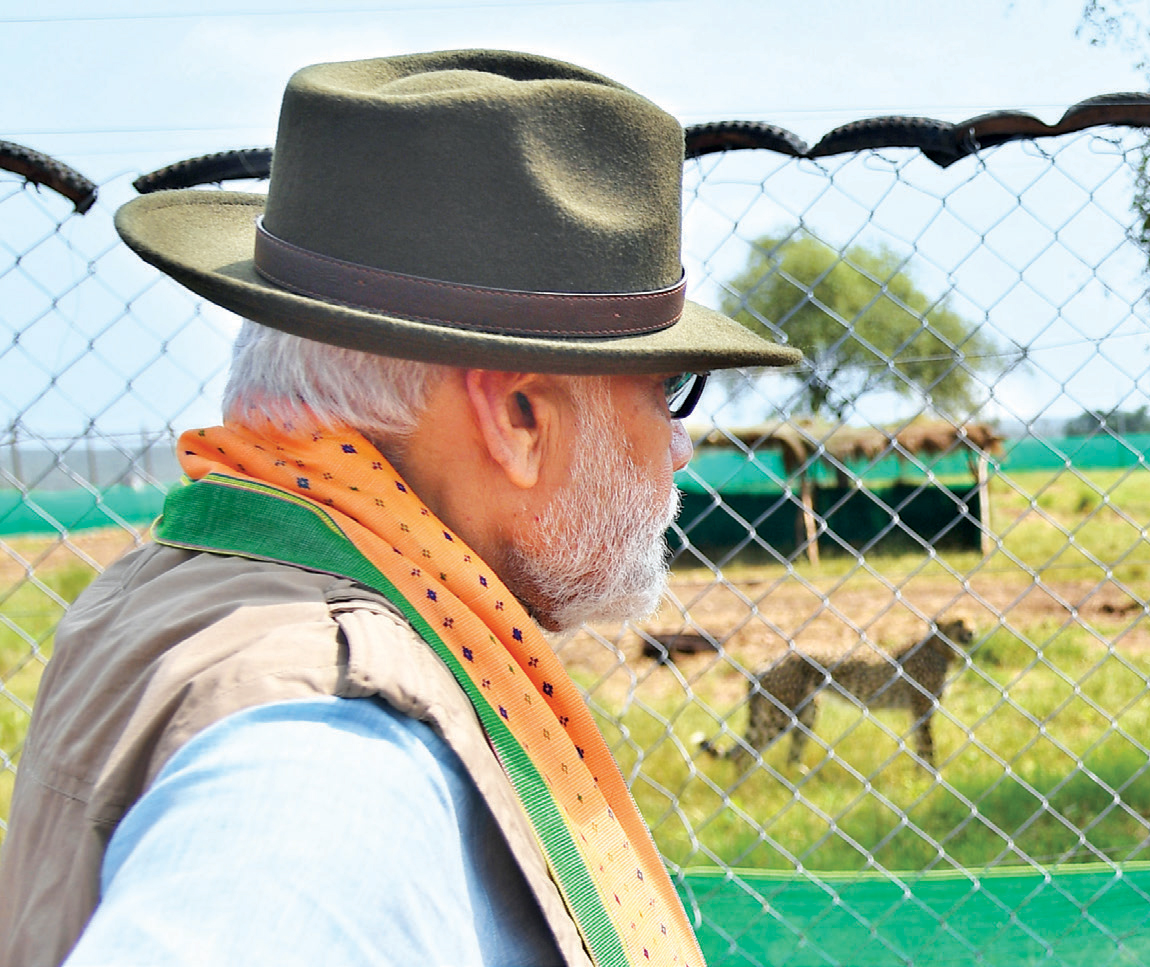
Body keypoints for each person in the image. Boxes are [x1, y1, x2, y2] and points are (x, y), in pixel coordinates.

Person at [0, 50, 800, 967]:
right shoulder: (335, 752)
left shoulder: (180, 588)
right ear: (519, 417)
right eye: (670, 388)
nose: (681, 444)